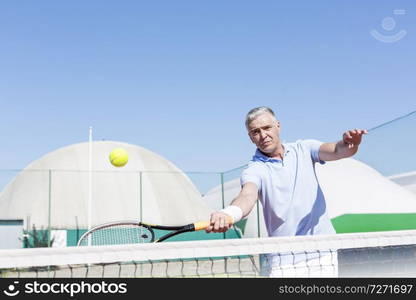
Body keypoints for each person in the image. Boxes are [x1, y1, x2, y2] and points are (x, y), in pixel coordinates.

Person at [206, 106, 367, 276]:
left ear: (278, 126)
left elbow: (337, 150)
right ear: (250, 137)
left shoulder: (304, 148)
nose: (263, 135)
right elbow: (247, 196)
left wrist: (350, 144)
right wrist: (228, 214)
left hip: (322, 252)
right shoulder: (254, 170)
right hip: (283, 258)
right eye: (255, 132)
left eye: (267, 128)